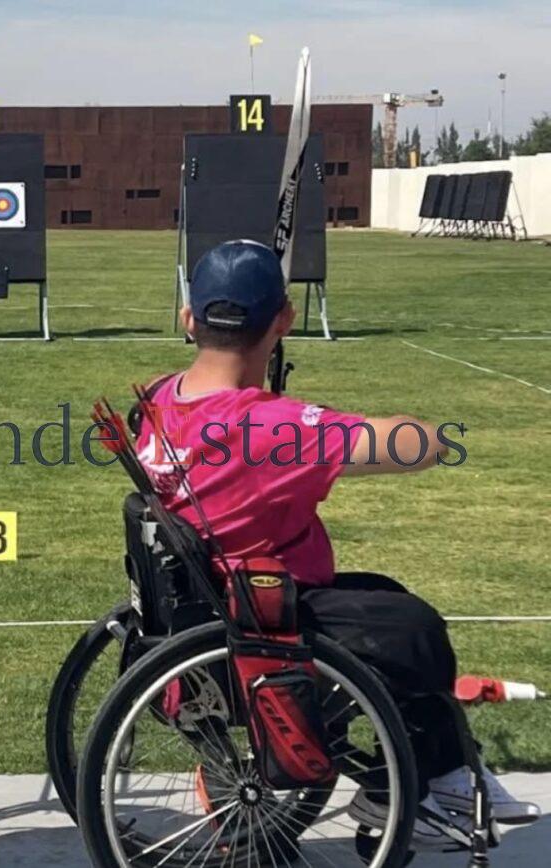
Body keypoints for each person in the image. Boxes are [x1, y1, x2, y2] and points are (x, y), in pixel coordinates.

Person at [136, 239, 539, 848]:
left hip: (206, 603)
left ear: (188, 319)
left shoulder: (160, 399)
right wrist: (303, 414)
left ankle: (450, 767)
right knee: (412, 630)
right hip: (259, 616)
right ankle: (412, 787)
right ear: (285, 320)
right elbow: (421, 444)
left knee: (382, 597)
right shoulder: (272, 427)